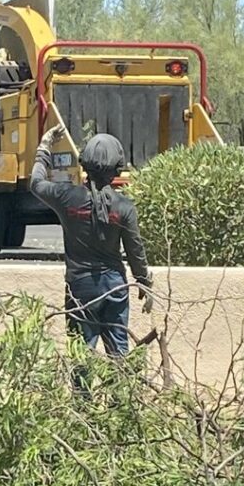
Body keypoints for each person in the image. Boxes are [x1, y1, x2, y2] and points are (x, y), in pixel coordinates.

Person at [30, 126, 153, 357]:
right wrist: (144, 283)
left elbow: (35, 183)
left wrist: (44, 148)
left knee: (81, 356)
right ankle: (121, 394)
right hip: (116, 287)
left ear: (84, 164)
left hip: (81, 288)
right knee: (119, 357)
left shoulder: (66, 197)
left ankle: (81, 395)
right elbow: (135, 252)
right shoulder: (124, 208)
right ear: (117, 169)